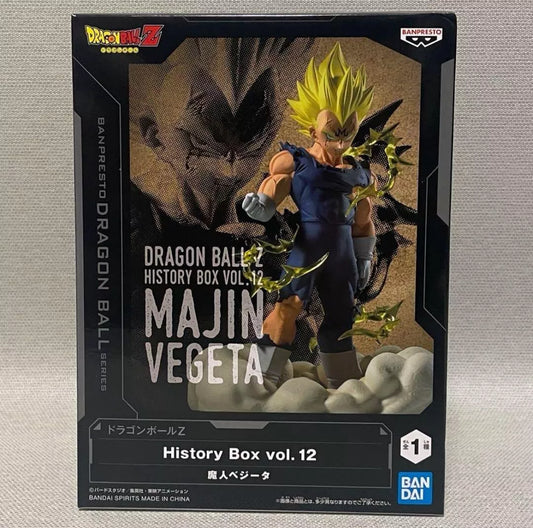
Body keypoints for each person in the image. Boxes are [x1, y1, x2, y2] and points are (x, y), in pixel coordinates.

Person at [242, 43, 376, 389]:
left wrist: (364, 256)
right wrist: (264, 203)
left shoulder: (359, 174)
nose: (341, 141)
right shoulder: (297, 161)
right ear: (313, 130)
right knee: (288, 306)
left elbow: (363, 219)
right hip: (308, 248)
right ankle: (261, 379)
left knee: (342, 317)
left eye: (348, 131)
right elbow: (276, 182)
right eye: (333, 132)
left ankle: (343, 385)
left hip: (343, 254)